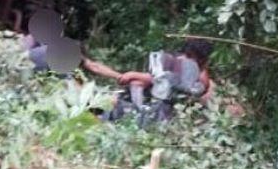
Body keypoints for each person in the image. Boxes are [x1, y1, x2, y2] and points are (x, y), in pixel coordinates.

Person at [84, 38, 215, 125]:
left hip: (159, 113)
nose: (182, 58)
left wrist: (135, 75)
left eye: (188, 56)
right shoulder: (183, 68)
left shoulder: (198, 77)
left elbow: (170, 83)